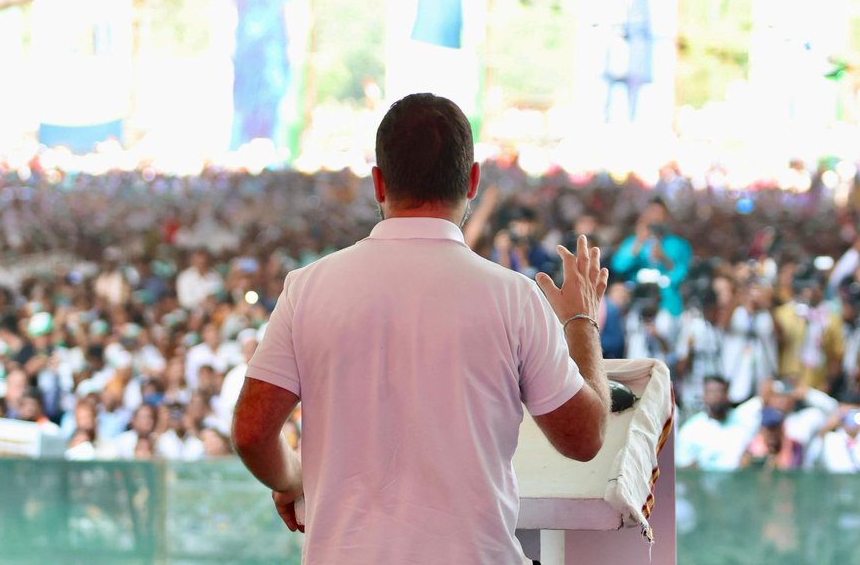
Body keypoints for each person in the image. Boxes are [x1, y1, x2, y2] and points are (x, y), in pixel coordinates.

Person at [231, 93, 610, 564]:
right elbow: (585, 437)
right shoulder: (514, 298)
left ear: (378, 183)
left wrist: (293, 479)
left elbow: (251, 432)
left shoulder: (307, 288)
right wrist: (581, 321)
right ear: (472, 181)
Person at [611, 198, 692, 316]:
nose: (655, 218)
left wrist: (663, 258)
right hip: (637, 301)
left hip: (666, 304)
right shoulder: (634, 242)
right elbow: (618, 266)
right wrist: (638, 242)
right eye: (652, 212)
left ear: (666, 217)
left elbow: (682, 272)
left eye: (659, 214)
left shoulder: (678, 245)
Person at [677, 376, 750, 471]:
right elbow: (682, 467)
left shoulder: (742, 422)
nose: (716, 396)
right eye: (711, 392)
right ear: (704, 396)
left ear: (728, 395)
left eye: (720, 391)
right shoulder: (691, 429)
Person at [815, 407, 860, 473]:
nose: (851, 420)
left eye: (856, 415)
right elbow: (814, 458)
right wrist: (826, 427)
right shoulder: (832, 438)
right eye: (846, 416)